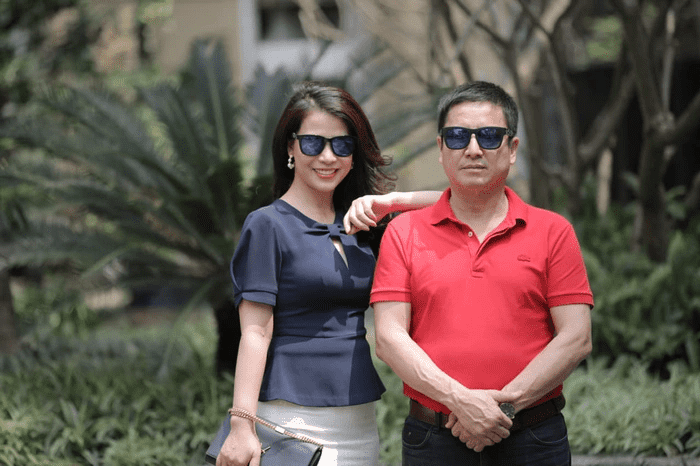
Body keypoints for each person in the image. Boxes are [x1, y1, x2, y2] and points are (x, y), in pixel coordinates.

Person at [370, 81, 594, 466]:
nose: (473, 149)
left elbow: (576, 338)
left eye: (489, 136)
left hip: (533, 439)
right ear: (441, 148)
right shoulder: (404, 233)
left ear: (512, 148)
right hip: (434, 439)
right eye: (457, 137)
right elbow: (389, 339)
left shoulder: (553, 232)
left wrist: (501, 408)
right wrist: (461, 401)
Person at [217, 81, 440, 466]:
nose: (327, 156)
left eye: (341, 145)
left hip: (358, 421)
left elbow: (463, 204)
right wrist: (241, 425)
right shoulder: (267, 225)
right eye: (312, 143)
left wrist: (391, 201)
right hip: (289, 419)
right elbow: (255, 332)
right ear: (290, 147)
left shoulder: (362, 224)